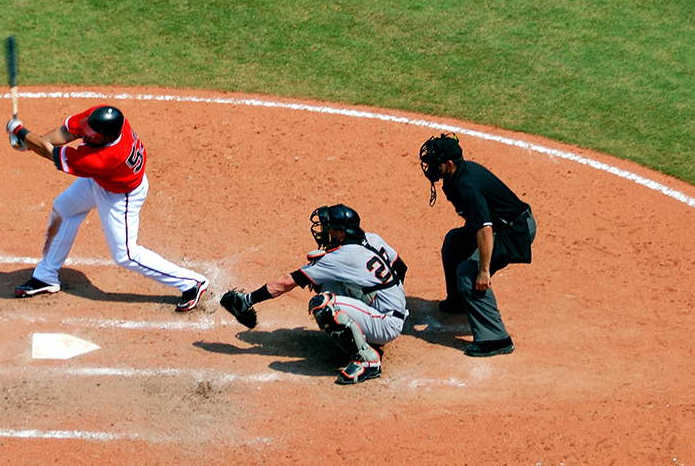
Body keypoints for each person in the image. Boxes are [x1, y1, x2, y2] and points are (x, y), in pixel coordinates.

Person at [4, 105, 208, 312]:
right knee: (64, 208)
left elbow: (51, 152)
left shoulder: (104, 158)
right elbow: (66, 132)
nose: (87, 135)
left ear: (108, 137)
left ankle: (191, 282)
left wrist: (21, 133)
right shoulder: (102, 118)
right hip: (101, 181)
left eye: (93, 136)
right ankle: (46, 275)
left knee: (126, 255)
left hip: (121, 195)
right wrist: (31, 142)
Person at [219, 205, 408, 385]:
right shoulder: (372, 238)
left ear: (342, 232)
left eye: (330, 228)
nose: (324, 231)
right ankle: (368, 328)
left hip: (386, 323)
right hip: (389, 311)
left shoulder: (341, 256)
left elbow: (287, 282)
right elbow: (401, 267)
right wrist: (388, 297)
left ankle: (369, 361)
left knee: (324, 305)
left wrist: (249, 299)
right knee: (324, 282)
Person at [418, 133, 535, 357]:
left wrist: (483, 270)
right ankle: (459, 302)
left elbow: (485, 229)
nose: (430, 166)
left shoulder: (466, 185)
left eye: (435, 162)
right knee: (454, 243)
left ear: (449, 164)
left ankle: (495, 339)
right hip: (499, 225)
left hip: (514, 230)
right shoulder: (456, 177)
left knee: (469, 274)